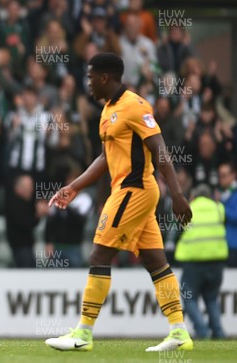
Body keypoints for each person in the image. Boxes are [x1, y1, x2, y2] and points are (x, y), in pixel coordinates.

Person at [45, 53, 193, 352]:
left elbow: (160, 149)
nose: (87, 83)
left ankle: (83, 334)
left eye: (90, 77)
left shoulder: (135, 106)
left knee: (99, 255)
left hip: (134, 189)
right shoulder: (107, 110)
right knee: (155, 261)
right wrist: (74, 187)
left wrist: (177, 195)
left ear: (105, 77)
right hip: (127, 191)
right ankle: (179, 332)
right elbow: (104, 157)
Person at [175, 184, 227, 339]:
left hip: (194, 261)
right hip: (216, 261)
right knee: (211, 298)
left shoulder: (188, 208)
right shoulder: (219, 208)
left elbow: (179, 229)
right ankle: (218, 332)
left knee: (189, 297)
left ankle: (202, 331)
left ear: (194, 196)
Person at [218, 161, 237, 267]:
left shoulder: (233, 193)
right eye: (220, 175)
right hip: (223, 245)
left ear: (233, 175)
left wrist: (220, 205)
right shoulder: (222, 193)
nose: (221, 179)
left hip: (234, 245)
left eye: (224, 175)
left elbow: (235, 216)